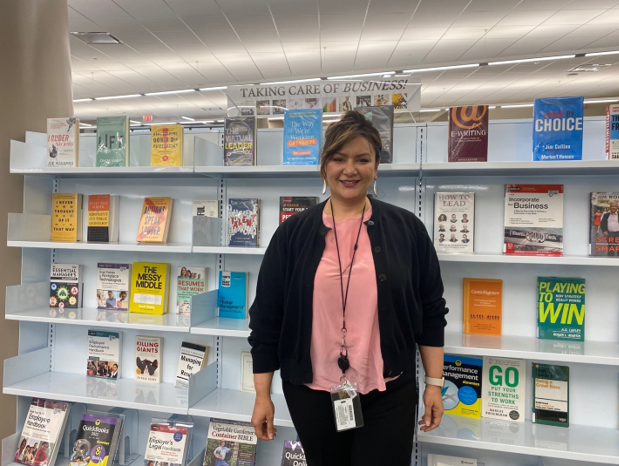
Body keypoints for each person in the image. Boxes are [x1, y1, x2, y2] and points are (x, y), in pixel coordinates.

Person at [248, 111, 448, 466]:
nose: (350, 169)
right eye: (339, 158)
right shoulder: (292, 234)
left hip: (389, 391)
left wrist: (434, 382)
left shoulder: (408, 230)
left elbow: (431, 311)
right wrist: (262, 395)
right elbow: (266, 318)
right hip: (312, 394)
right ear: (324, 166)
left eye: (362, 159)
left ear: (376, 166)